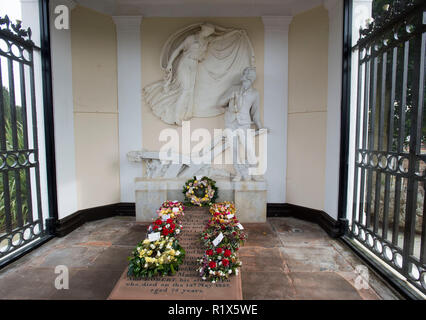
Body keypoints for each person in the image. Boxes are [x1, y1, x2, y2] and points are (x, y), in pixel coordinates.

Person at [219, 67, 266, 181]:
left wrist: (259, 126)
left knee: (249, 148)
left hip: (244, 124)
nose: (244, 77)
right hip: (231, 122)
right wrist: (229, 97)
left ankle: (254, 173)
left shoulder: (254, 94)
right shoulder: (233, 89)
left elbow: (255, 112)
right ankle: (238, 173)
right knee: (234, 150)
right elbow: (220, 103)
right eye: (245, 74)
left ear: (251, 79)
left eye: (247, 76)